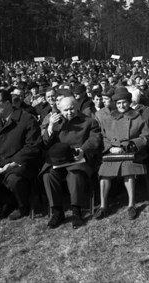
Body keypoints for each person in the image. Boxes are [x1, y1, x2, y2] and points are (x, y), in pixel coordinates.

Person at [0, 90, 43, 220]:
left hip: (23, 163)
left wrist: (14, 163)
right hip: (1, 163)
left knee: (13, 179)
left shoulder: (26, 119)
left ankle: (22, 206)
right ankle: (7, 203)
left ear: (8, 103)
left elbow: (33, 146)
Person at [41, 96, 101, 229]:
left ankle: (76, 211)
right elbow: (45, 143)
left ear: (77, 106)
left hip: (78, 158)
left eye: (72, 108)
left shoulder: (89, 122)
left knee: (74, 174)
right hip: (58, 160)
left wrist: (83, 150)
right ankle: (57, 212)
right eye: (65, 110)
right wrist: (50, 126)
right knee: (48, 175)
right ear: (60, 110)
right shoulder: (56, 123)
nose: (69, 112)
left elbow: (95, 139)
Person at [93, 87, 149, 221]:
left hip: (132, 153)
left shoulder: (137, 117)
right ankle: (103, 206)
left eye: (124, 102)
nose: (121, 106)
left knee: (128, 170)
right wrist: (111, 147)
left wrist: (128, 145)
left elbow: (145, 136)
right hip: (112, 153)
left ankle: (131, 205)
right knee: (104, 173)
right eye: (118, 103)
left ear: (129, 102)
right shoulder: (110, 118)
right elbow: (104, 136)